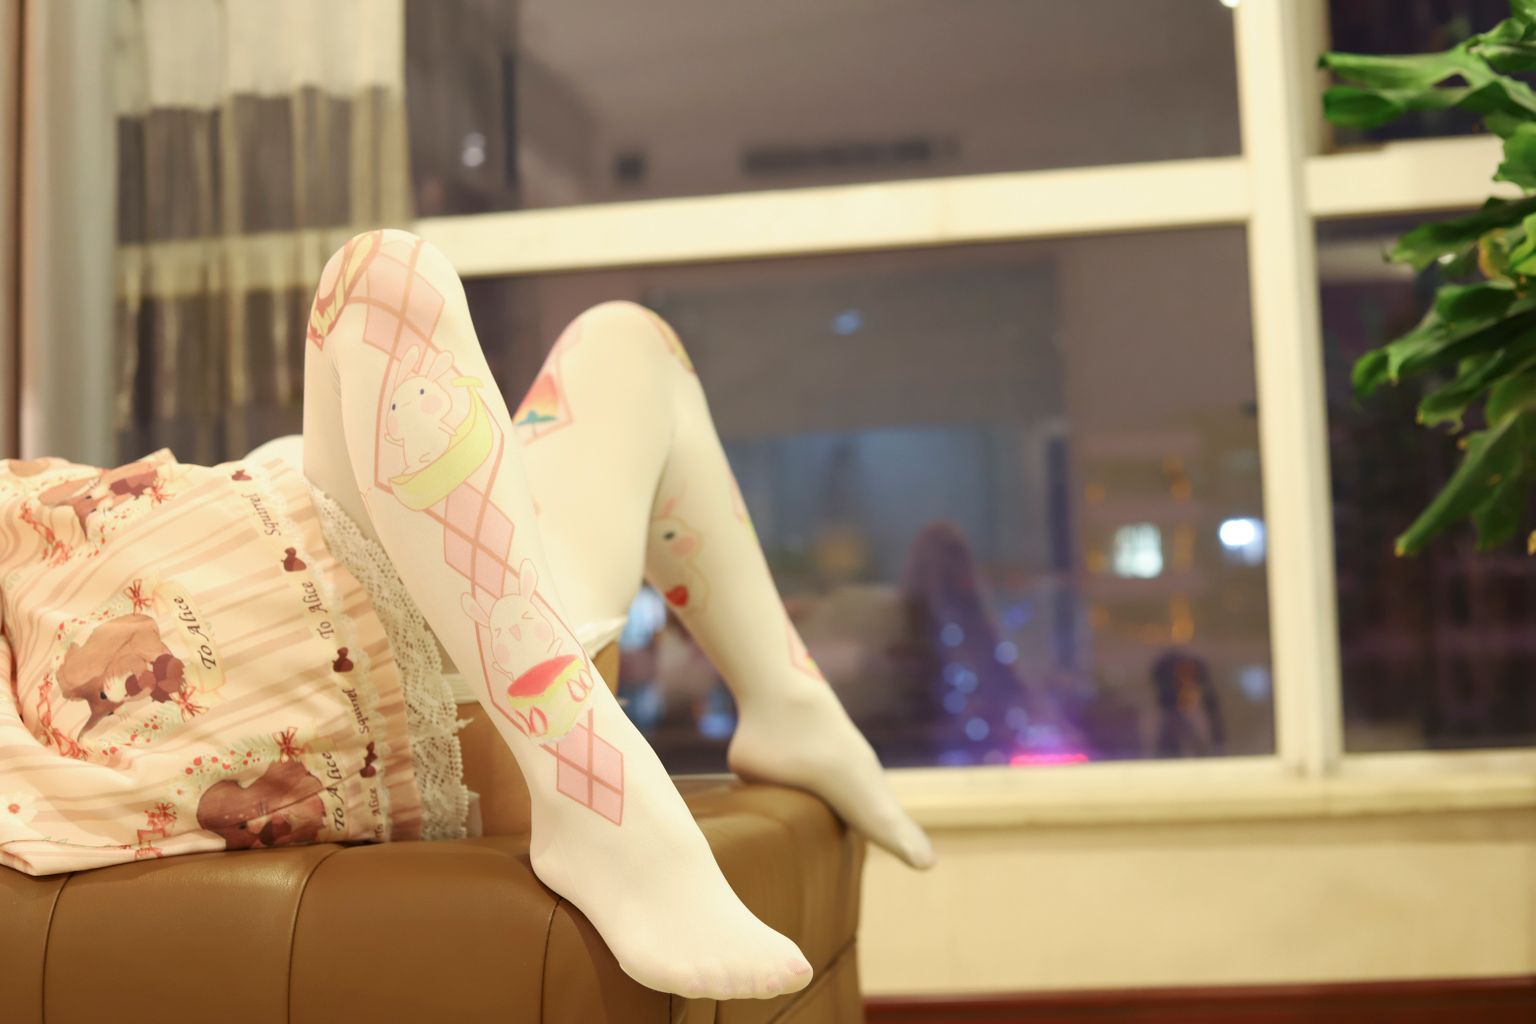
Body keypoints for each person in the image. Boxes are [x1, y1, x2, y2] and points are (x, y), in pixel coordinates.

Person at [0, 230, 933, 1001]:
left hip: (368, 556)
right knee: (382, 279)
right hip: (327, 665)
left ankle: (788, 705)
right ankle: (597, 793)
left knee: (627, 343)